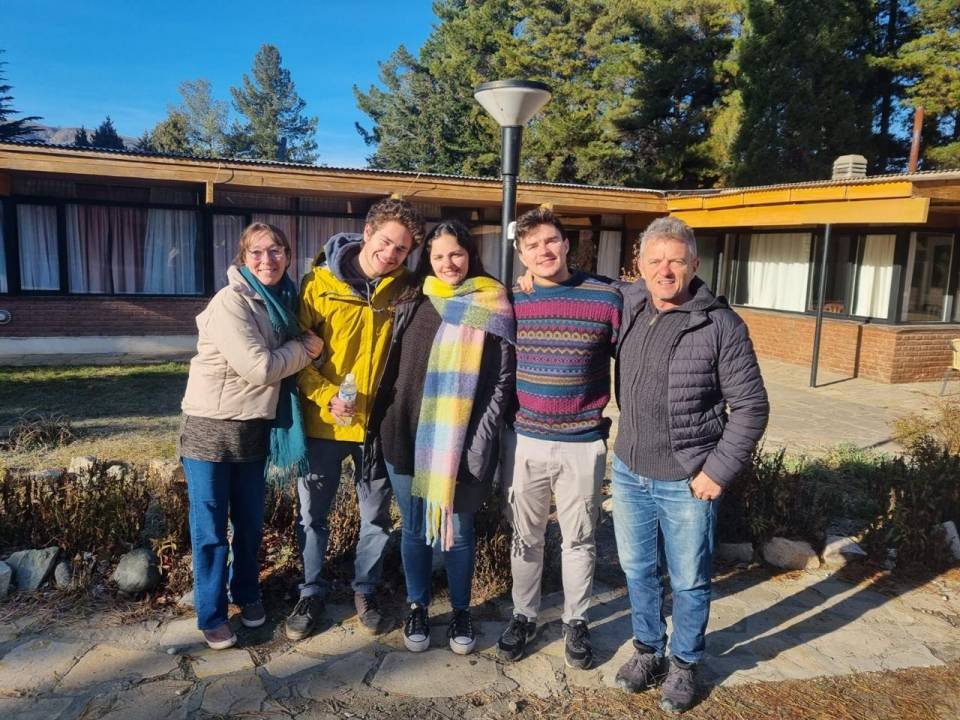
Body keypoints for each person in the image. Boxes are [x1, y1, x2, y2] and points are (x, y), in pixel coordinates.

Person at [612, 217, 768, 714]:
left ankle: (684, 661)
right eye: (654, 260)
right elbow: (583, 286)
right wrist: (529, 279)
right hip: (630, 468)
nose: (665, 270)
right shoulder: (632, 303)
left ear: (695, 265)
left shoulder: (720, 325)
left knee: (688, 579)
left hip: (687, 478)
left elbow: (752, 407)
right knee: (637, 571)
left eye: (675, 260)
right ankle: (647, 650)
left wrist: (717, 471)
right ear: (639, 265)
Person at [365, 219, 515, 655]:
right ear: (425, 260)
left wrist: (480, 439)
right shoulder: (415, 296)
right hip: (404, 436)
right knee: (414, 529)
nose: (448, 263)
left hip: (463, 443)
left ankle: (463, 610)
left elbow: (502, 382)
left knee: (460, 532)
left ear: (470, 255)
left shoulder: (492, 301)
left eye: (456, 254)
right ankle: (418, 606)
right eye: (438, 256)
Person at [179, 222, 323, 650]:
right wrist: (306, 350)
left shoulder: (282, 301)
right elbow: (259, 368)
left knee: (249, 525)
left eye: (275, 250)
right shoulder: (232, 302)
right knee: (209, 529)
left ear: (288, 255)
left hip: (253, 426)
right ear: (243, 258)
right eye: (256, 252)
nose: (267, 260)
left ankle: (247, 593)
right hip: (209, 429)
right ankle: (212, 613)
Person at [286, 197, 424, 640]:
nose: (391, 254)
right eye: (386, 243)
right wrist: (326, 397)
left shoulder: (406, 288)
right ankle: (310, 591)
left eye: (402, 250)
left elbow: (462, 287)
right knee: (313, 515)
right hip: (325, 424)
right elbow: (295, 356)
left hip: (377, 428)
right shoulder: (318, 284)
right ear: (367, 234)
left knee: (377, 518)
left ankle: (365, 588)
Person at [497, 206, 622, 670]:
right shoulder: (514, 299)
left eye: (551, 241)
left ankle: (576, 621)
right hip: (525, 439)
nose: (543, 251)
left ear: (566, 244)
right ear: (521, 254)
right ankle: (524, 615)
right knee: (525, 538)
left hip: (582, 440)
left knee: (580, 539)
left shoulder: (606, 298)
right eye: (532, 246)